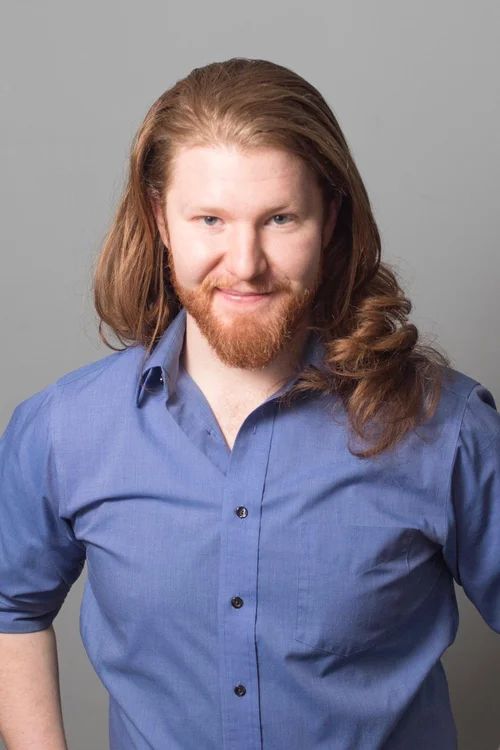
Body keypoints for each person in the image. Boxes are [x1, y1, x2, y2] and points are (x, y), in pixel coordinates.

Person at [0, 57, 498, 750]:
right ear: (160, 220)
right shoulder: (64, 429)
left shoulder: (449, 428)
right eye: (210, 219)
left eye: (280, 219)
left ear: (330, 218)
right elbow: (10, 606)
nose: (244, 264)